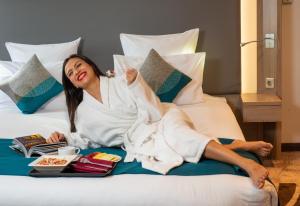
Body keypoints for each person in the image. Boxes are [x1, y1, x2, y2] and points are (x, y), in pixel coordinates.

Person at [47, 54, 273, 189]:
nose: (76, 71)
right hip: (140, 140)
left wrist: (136, 83)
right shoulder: (82, 114)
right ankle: (238, 145)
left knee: (180, 137)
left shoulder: (119, 82)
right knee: (180, 148)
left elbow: (154, 111)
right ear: (73, 85)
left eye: (78, 65)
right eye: (70, 73)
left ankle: (247, 165)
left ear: (90, 66)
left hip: (163, 117)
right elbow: (85, 140)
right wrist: (63, 137)